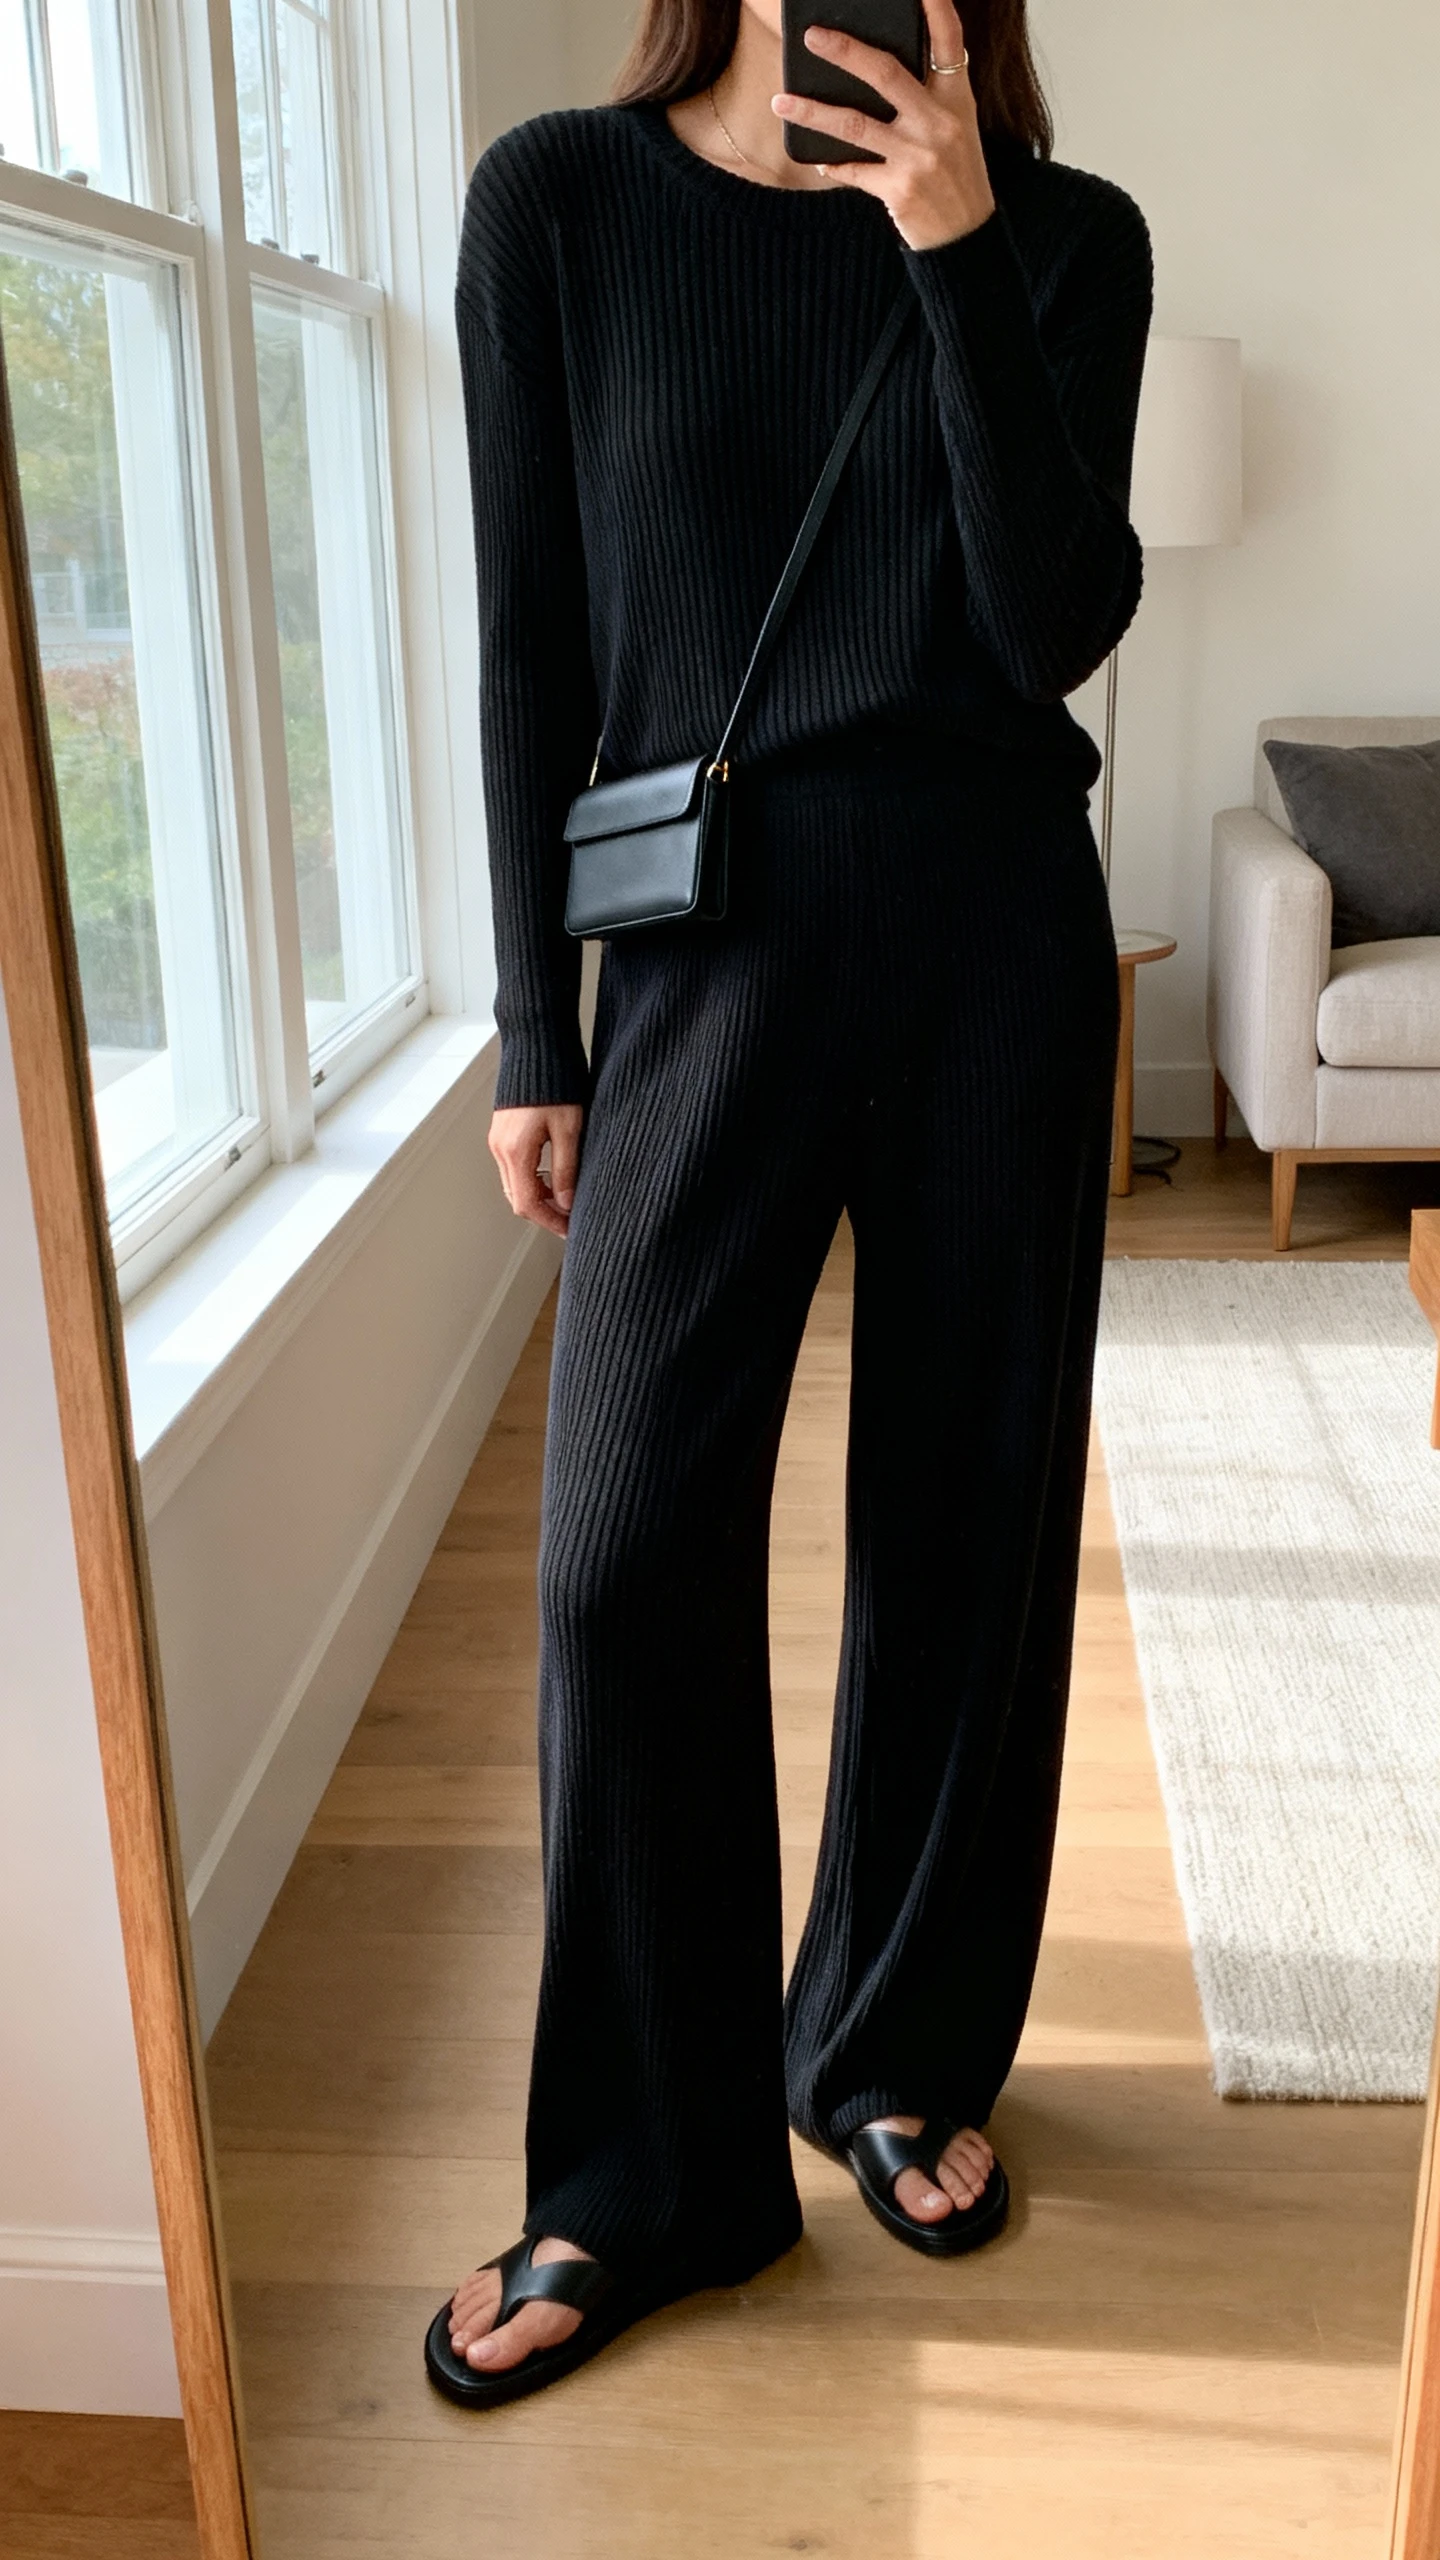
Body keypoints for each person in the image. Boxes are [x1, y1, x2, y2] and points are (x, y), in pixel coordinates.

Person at [426, 0, 1152, 2408]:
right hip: (707, 962)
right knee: (621, 1546)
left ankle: (891, 2047)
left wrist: (948, 247)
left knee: (961, 1521)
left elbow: (1048, 616)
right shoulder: (559, 203)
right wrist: (542, 1024)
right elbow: (536, 633)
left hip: (991, 949)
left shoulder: (1069, 240)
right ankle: (646, 2171)